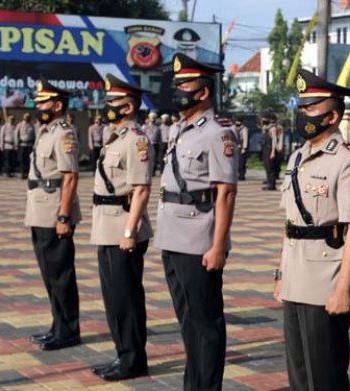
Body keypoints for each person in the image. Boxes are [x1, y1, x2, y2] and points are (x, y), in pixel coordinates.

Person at [274, 68, 350, 391]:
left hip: (327, 276)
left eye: (311, 109)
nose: (303, 115)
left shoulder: (348, 162)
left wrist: (344, 288)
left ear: (331, 116)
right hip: (297, 273)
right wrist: (281, 274)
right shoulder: (297, 157)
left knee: (324, 372)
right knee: (299, 370)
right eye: (301, 109)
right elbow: (290, 226)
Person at [153, 53, 238, 391]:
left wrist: (218, 246)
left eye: (184, 85)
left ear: (203, 92)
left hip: (199, 239)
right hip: (172, 236)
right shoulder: (179, 130)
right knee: (187, 320)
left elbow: (226, 193)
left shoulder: (218, 134)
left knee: (205, 323)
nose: (178, 91)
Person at [89, 74, 153, 381]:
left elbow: (141, 189)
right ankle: (122, 354)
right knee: (114, 298)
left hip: (122, 228)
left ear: (128, 107)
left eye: (113, 103)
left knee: (126, 298)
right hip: (107, 225)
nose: (108, 107)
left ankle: (133, 360)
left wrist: (129, 232)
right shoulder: (114, 136)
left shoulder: (136, 140)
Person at [25, 78, 82, 351]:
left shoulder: (63, 133)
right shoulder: (46, 131)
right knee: (49, 273)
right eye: (37, 102)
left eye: (43, 102)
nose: (38, 106)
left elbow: (70, 177)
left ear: (58, 105)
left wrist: (63, 216)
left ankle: (68, 330)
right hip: (38, 208)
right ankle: (57, 325)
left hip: (53, 210)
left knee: (61, 274)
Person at [260, 112, 279, 190]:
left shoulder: (273, 128)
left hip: (270, 149)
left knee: (271, 167)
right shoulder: (265, 128)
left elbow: (274, 140)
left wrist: (273, 152)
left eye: (263, 118)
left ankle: (272, 184)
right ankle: (269, 182)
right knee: (267, 167)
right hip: (265, 149)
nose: (262, 120)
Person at [17, 112, 35, 179]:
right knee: (22, 160)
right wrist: (16, 144)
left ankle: (27, 173)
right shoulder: (20, 125)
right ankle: (22, 172)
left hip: (29, 145)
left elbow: (34, 135)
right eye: (26, 117)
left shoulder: (32, 125)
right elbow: (17, 135)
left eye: (28, 117)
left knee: (29, 160)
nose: (27, 118)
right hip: (22, 145)